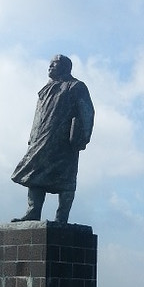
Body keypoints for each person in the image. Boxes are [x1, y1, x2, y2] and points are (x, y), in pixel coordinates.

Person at [11, 54, 95, 224]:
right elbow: (38, 116)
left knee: (66, 180)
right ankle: (33, 212)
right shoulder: (46, 89)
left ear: (65, 67)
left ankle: (62, 218)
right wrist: (32, 138)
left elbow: (88, 113)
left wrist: (82, 138)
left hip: (64, 142)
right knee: (34, 175)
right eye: (50, 64)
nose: (50, 67)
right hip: (41, 139)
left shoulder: (75, 86)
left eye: (54, 64)